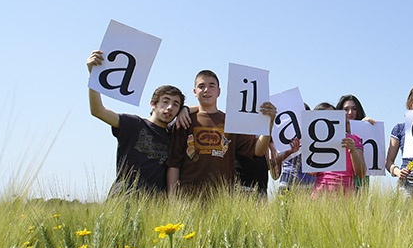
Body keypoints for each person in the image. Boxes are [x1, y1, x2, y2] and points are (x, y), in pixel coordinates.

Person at [86, 50, 185, 197]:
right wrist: (93, 76)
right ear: (153, 103)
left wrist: (187, 110)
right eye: (165, 101)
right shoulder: (133, 124)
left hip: (155, 209)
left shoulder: (174, 135)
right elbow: (98, 111)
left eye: (176, 104)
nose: (170, 107)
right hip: (123, 200)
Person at [166, 69, 276, 198]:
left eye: (211, 86)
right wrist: (172, 200)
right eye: (201, 86)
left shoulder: (231, 123)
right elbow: (174, 164)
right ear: (195, 92)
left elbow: (258, 150)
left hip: (222, 199)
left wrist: (269, 123)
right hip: (188, 198)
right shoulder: (185, 121)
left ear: (219, 91)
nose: (206, 90)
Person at [311, 100, 366, 197]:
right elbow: (311, 172)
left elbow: (361, 173)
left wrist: (352, 151)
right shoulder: (314, 141)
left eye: (333, 114)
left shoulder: (353, 139)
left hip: (345, 196)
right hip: (320, 195)